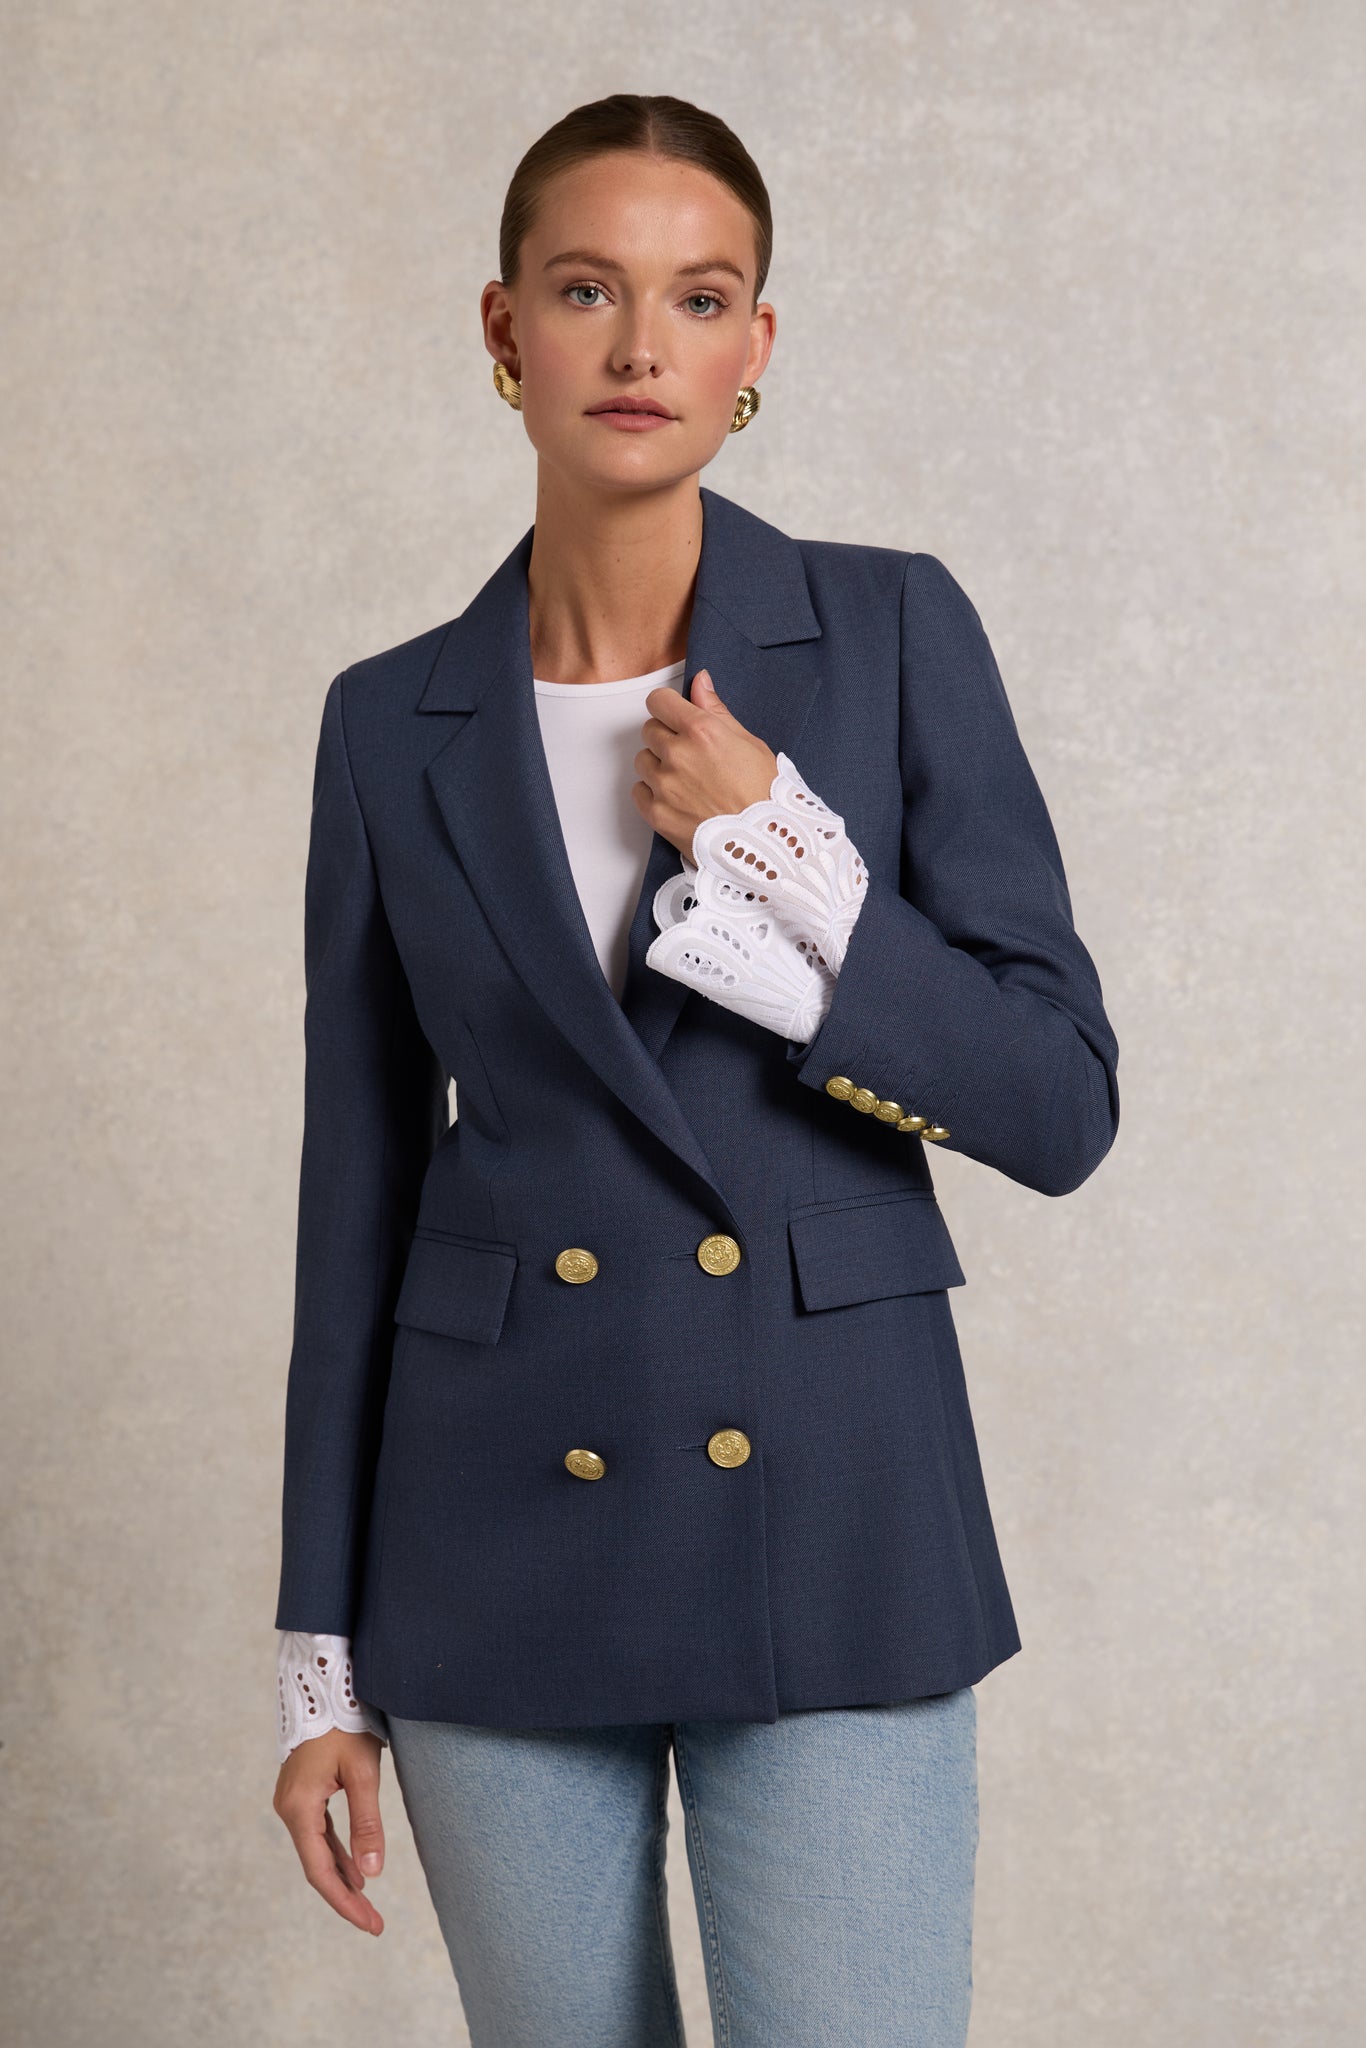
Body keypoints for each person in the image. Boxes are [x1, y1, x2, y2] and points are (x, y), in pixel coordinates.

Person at [270, 91, 1120, 2048]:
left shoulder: (887, 630)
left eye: (700, 295)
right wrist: (318, 1649)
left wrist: (789, 868)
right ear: (505, 331)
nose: (641, 344)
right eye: (587, 290)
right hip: (490, 1527)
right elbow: (353, 1196)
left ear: (756, 346)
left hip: (831, 1502)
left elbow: (1055, 1102)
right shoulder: (388, 720)